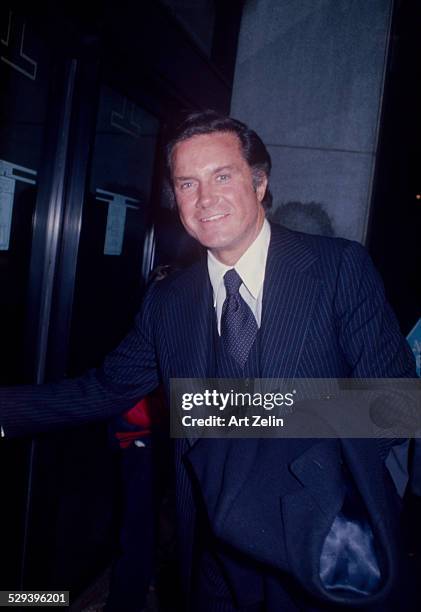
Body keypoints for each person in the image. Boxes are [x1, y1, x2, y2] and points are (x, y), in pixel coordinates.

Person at [1, 111, 418, 611]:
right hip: (210, 549)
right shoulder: (168, 300)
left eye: (222, 176)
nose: (205, 198)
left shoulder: (337, 268)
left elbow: (395, 407)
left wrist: (222, 410)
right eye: (186, 183)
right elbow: (105, 388)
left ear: (259, 183)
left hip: (323, 541)